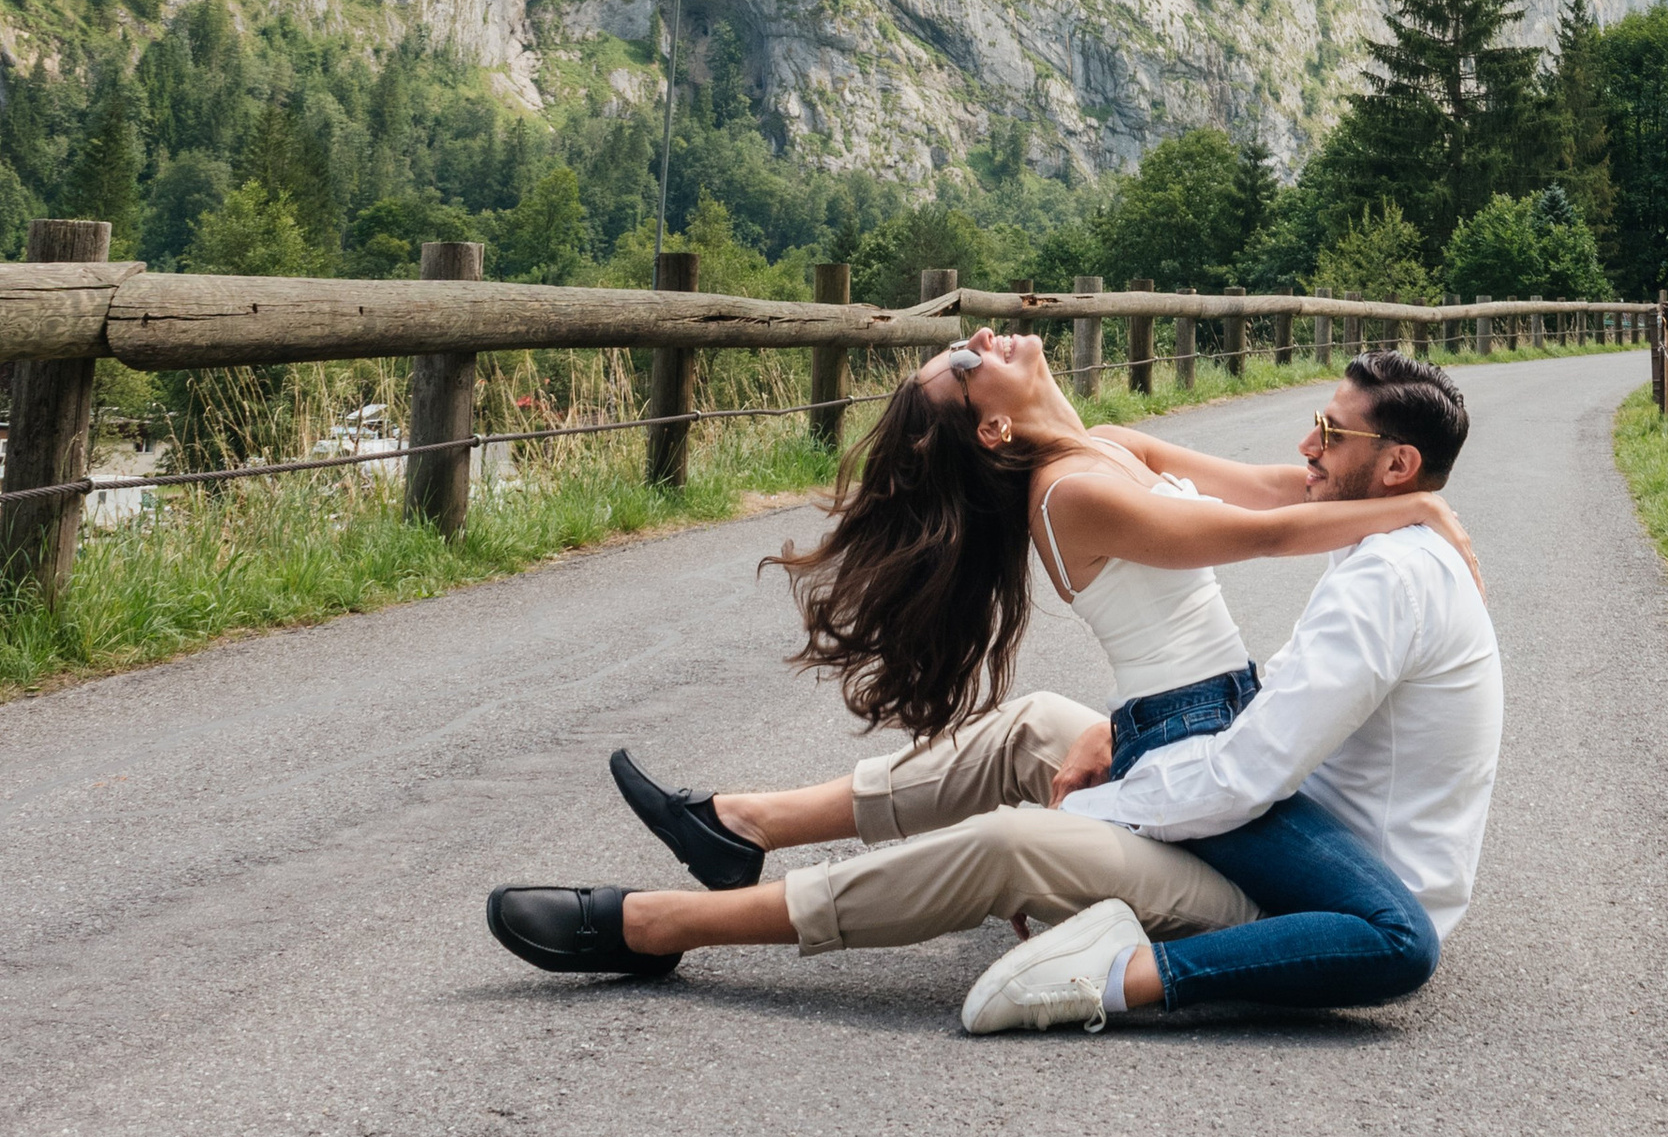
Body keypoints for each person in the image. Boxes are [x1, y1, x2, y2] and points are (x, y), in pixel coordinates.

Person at [485, 349, 1503, 1034]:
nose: (985, 339)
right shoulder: (1077, 488)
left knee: (1039, 739)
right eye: (969, 367)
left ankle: (734, 832)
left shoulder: (1112, 452)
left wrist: (1415, 506)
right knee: (1044, 794)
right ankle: (661, 921)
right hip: (1227, 768)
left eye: (1332, 429)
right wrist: (1421, 510)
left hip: (1239, 769)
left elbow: (1287, 500)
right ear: (991, 430)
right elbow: (1280, 534)